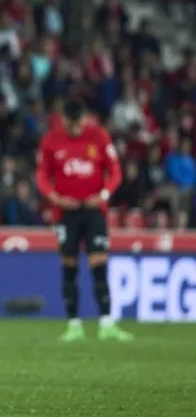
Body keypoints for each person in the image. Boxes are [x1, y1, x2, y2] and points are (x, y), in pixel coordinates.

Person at [36, 99, 128, 342]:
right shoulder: (51, 140)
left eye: (79, 123)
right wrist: (56, 198)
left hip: (94, 210)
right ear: (63, 118)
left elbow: (115, 171)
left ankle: (107, 323)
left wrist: (103, 195)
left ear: (84, 118)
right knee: (69, 265)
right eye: (71, 123)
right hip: (66, 212)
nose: (75, 128)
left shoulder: (98, 136)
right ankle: (73, 324)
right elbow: (42, 176)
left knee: (99, 263)